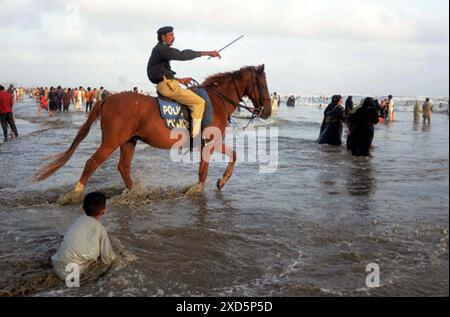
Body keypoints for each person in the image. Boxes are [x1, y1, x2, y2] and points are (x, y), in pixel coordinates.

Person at [146, 26, 221, 138]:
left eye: (173, 35)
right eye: (170, 35)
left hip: (167, 84)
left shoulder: (159, 50)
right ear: (163, 37)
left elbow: (161, 73)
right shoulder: (162, 49)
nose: (173, 37)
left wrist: (180, 80)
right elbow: (183, 55)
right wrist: (208, 53)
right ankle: (195, 137)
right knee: (199, 102)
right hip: (167, 87)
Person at [51, 192, 116, 283]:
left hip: (56, 265)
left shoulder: (78, 221)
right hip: (73, 275)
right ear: (103, 211)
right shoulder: (100, 229)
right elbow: (108, 258)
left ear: (83, 208)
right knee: (107, 266)